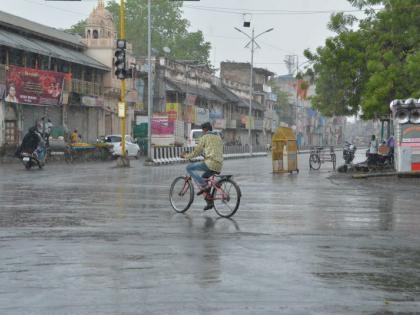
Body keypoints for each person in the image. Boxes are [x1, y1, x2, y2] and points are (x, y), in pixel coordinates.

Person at [180, 122, 223, 211]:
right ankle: (209, 202)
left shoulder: (205, 137)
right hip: (219, 164)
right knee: (204, 177)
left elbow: (197, 152)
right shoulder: (218, 138)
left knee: (189, 168)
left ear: (205, 130)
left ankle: (203, 184)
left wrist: (186, 156)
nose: (203, 132)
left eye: (203, 130)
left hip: (210, 163)